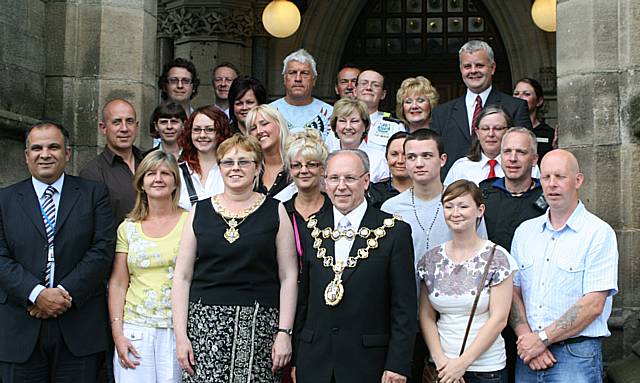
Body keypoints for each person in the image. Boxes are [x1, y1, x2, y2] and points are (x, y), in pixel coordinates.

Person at [171, 134, 298, 382]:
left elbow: (289, 276)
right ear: (220, 168)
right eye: (228, 162)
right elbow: (182, 277)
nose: (235, 168)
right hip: (204, 327)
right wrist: (181, 335)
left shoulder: (276, 210)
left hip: (259, 326)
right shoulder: (200, 211)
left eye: (244, 162)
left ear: (258, 168)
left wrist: (284, 332)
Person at [0, 122, 114, 382]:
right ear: (26, 155)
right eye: (37, 148)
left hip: (79, 326)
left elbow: (102, 249)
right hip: (20, 326)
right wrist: (36, 294)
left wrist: (62, 295)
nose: (45, 154)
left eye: (54, 147)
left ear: (68, 153)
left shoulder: (94, 194)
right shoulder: (4, 200)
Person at [293, 149, 416, 383]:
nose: (341, 186)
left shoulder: (393, 231)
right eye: (334, 178)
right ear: (325, 182)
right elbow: (305, 300)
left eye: (350, 178)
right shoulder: (312, 228)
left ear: (366, 181)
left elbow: (404, 306)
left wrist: (397, 364)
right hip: (315, 361)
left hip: (369, 363)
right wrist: (299, 357)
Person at [381, 129, 487, 382]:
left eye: (427, 155)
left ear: (442, 159)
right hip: (406, 321)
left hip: (454, 319)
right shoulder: (390, 209)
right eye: (412, 156)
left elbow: (481, 257)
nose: (419, 163)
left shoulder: (461, 204)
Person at [510, 149, 619, 383]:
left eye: (560, 177)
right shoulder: (525, 232)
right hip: (528, 355)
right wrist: (528, 339)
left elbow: (593, 304)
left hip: (575, 357)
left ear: (578, 180)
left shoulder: (598, 233)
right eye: (546, 177)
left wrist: (542, 339)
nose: (552, 184)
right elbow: (512, 292)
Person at [417, 180, 517, 383]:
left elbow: (499, 319)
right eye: (449, 206)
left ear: (480, 210)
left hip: (486, 369)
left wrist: (462, 364)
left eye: (463, 206)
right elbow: (426, 315)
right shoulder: (431, 259)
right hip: (442, 368)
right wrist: (441, 361)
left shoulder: (497, 257)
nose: (456, 213)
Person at [108, 150, 187, 382]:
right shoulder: (128, 227)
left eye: (166, 173)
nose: (158, 178)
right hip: (135, 329)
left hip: (177, 329)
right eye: (151, 173)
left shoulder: (191, 222)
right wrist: (118, 335)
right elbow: (119, 283)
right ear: (141, 182)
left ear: (175, 183)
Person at [479, 127, 547, 383]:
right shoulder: (484, 193)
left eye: (521, 152)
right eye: (508, 151)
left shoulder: (547, 196)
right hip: (488, 306)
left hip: (532, 305)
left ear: (534, 158)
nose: (513, 158)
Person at [430, 40, 531, 176]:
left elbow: (526, 149)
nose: (473, 71)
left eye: (479, 65)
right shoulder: (441, 113)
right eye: (467, 66)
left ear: (492, 68)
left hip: (503, 185)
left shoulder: (515, 107)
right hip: (455, 190)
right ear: (461, 69)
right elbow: (434, 156)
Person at [80, 98, 144, 226]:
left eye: (129, 121)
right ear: (103, 128)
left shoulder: (148, 162)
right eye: (117, 122)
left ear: (136, 126)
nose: (124, 128)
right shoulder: (93, 172)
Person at [444, 105, 540, 186]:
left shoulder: (526, 165)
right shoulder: (460, 167)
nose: (491, 134)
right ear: (477, 133)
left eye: (497, 128)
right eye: (485, 129)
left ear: (508, 131)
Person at [177, 105, 232, 210]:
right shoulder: (178, 170)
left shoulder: (232, 169)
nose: (202, 135)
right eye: (197, 129)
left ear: (221, 132)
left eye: (209, 129)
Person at [270, 49, 333, 139]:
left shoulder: (329, 114)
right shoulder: (269, 112)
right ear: (284, 79)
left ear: (314, 80)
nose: (298, 78)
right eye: (292, 73)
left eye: (305, 73)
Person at [326, 98, 390, 182]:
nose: (348, 127)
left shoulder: (380, 160)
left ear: (365, 126)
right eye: (342, 121)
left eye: (354, 121)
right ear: (335, 126)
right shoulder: (325, 158)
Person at [245, 104, 293, 198]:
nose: (259, 131)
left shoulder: (298, 164)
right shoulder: (248, 169)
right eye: (253, 128)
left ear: (279, 124)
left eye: (264, 124)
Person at [355, 69, 404, 152]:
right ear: (355, 91)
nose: (369, 88)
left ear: (383, 94)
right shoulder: (341, 125)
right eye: (364, 83)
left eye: (376, 85)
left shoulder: (395, 127)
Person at [513, 78, 556, 163]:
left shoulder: (549, 133)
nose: (520, 98)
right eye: (516, 94)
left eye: (526, 94)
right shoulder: (507, 130)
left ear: (539, 101)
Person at [367, 131, 411, 208]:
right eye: (394, 154)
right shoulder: (373, 193)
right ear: (386, 157)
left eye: (406, 155)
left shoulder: (429, 192)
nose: (400, 160)